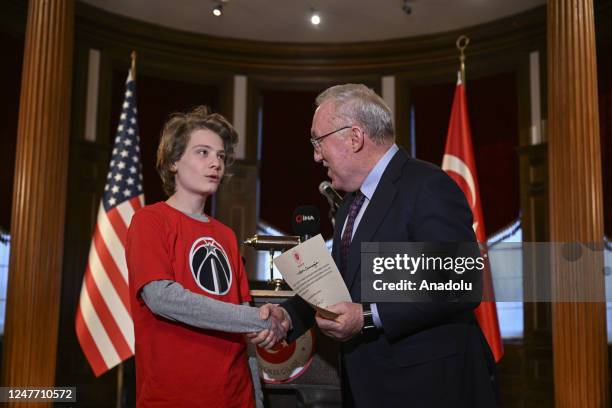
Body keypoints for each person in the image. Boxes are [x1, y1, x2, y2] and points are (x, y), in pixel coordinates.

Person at [250, 84, 498, 407]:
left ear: (354, 137)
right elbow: (341, 281)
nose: (315, 155)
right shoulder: (351, 203)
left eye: (318, 141)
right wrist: (287, 317)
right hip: (369, 388)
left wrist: (368, 315)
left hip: (427, 389)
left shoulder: (429, 185)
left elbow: (459, 279)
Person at [126, 106, 287, 407]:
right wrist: (255, 318)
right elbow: (163, 298)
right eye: (203, 152)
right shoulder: (149, 221)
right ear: (174, 161)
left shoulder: (226, 234)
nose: (215, 162)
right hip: (172, 398)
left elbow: (242, 315)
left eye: (221, 156)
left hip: (236, 396)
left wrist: (266, 322)